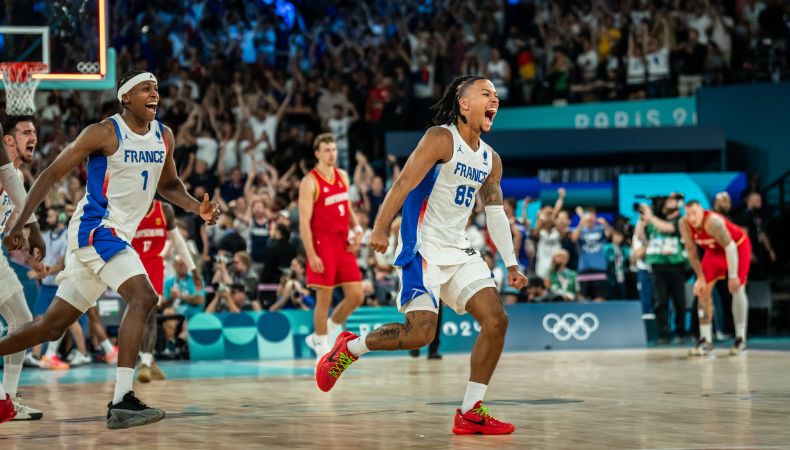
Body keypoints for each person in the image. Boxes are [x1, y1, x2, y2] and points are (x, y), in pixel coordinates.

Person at [1, 70, 220, 429]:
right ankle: (122, 399)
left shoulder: (163, 135)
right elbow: (50, 175)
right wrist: (22, 223)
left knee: (49, 328)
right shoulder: (103, 132)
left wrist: (198, 207)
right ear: (126, 98)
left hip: (112, 238)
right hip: (95, 229)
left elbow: (170, 185)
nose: (155, 94)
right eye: (146, 89)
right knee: (145, 297)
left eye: (157, 89)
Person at [314, 76, 527, 435]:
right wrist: (380, 227)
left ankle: (471, 410)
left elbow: (494, 213)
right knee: (421, 334)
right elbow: (402, 184)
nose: (495, 99)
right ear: (464, 103)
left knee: (497, 320)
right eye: (486, 93)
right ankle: (350, 348)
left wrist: (511, 263)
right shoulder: (440, 138)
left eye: (496, 95)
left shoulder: (492, 160)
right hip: (422, 247)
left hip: (458, 250)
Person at [298, 133, 364, 361]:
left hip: (342, 241)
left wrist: (357, 230)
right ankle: (321, 345)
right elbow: (304, 223)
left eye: (334, 149)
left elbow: (346, 208)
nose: (331, 154)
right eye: (326, 150)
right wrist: (311, 253)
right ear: (317, 154)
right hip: (321, 242)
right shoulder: (310, 181)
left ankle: (325, 331)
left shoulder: (342, 176)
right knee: (324, 298)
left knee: (357, 295)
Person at [0, 117, 47, 422]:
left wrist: (31, 251)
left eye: (35, 132)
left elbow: (9, 232)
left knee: (23, 319)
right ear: (7, 141)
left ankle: (9, 398)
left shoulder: (15, 176)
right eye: (26, 131)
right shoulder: (8, 173)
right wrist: (33, 227)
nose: (34, 136)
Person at [131, 200, 203, 383]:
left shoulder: (164, 210)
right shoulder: (129, 207)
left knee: (150, 314)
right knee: (135, 315)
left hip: (155, 267)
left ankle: (145, 362)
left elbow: (178, 241)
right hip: (133, 265)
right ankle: (148, 361)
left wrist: (193, 269)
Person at [680, 201, 751, 356]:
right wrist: (700, 277)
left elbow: (730, 246)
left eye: (695, 213)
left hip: (737, 247)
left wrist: (733, 276)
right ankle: (706, 339)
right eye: (688, 214)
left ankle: (740, 338)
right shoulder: (684, 224)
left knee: (737, 289)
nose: (692, 218)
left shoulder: (713, 222)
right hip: (714, 252)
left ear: (702, 212)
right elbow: (692, 252)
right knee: (702, 290)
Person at [638, 194, 688, 343]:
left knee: (679, 301)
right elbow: (642, 237)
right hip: (657, 265)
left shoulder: (679, 220)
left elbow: (668, 228)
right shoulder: (652, 221)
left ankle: (680, 332)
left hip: (676, 265)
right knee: (660, 301)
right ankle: (663, 333)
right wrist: (642, 220)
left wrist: (650, 216)